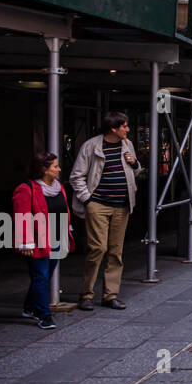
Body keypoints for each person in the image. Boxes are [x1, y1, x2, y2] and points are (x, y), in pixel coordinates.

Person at [69, 112, 140, 311]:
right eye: (124, 126)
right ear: (113, 129)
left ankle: (110, 295)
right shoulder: (91, 146)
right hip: (98, 204)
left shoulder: (128, 145)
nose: (127, 129)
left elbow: (135, 171)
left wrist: (135, 163)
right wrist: (88, 200)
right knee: (97, 248)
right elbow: (76, 176)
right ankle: (86, 294)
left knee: (116, 251)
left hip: (122, 205)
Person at [15, 152, 73, 332]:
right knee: (40, 276)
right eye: (55, 166)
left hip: (56, 238)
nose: (59, 169)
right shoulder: (26, 189)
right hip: (38, 241)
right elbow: (22, 217)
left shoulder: (58, 187)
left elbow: (64, 211)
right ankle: (44, 315)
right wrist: (26, 242)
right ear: (43, 170)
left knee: (44, 276)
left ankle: (29, 308)